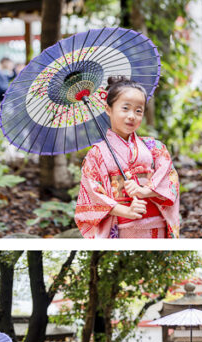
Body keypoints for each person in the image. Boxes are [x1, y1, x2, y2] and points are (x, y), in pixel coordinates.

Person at [75, 76, 180, 238]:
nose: (132, 116)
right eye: (125, 108)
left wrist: (144, 191)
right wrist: (126, 211)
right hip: (121, 227)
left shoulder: (155, 147)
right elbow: (92, 196)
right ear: (108, 109)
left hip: (156, 224)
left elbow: (170, 179)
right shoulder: (96, 154)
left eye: (138, 110)